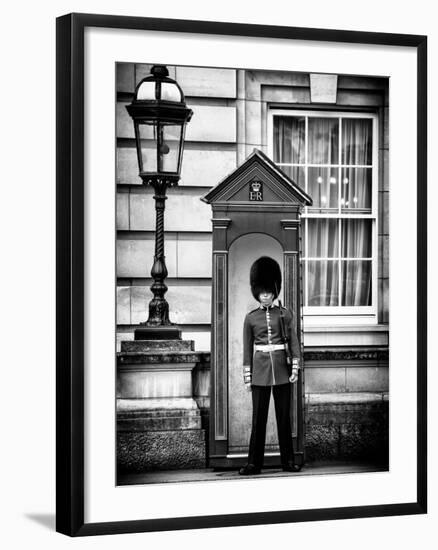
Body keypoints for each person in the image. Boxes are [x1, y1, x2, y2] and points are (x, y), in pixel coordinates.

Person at [239, 256, 302, 476]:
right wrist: (248, 376)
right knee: (259, 419)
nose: (265, 294)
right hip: (260, 372)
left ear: (275, 290)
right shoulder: (250, 318)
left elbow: (293, 342)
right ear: (256, 291)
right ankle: (254, 463)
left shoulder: (284, 314)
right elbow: (247, 349)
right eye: (262, 291)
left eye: (268, 290)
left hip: (282, 371)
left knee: (284, 418)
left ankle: (288, 461)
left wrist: (295, 367)